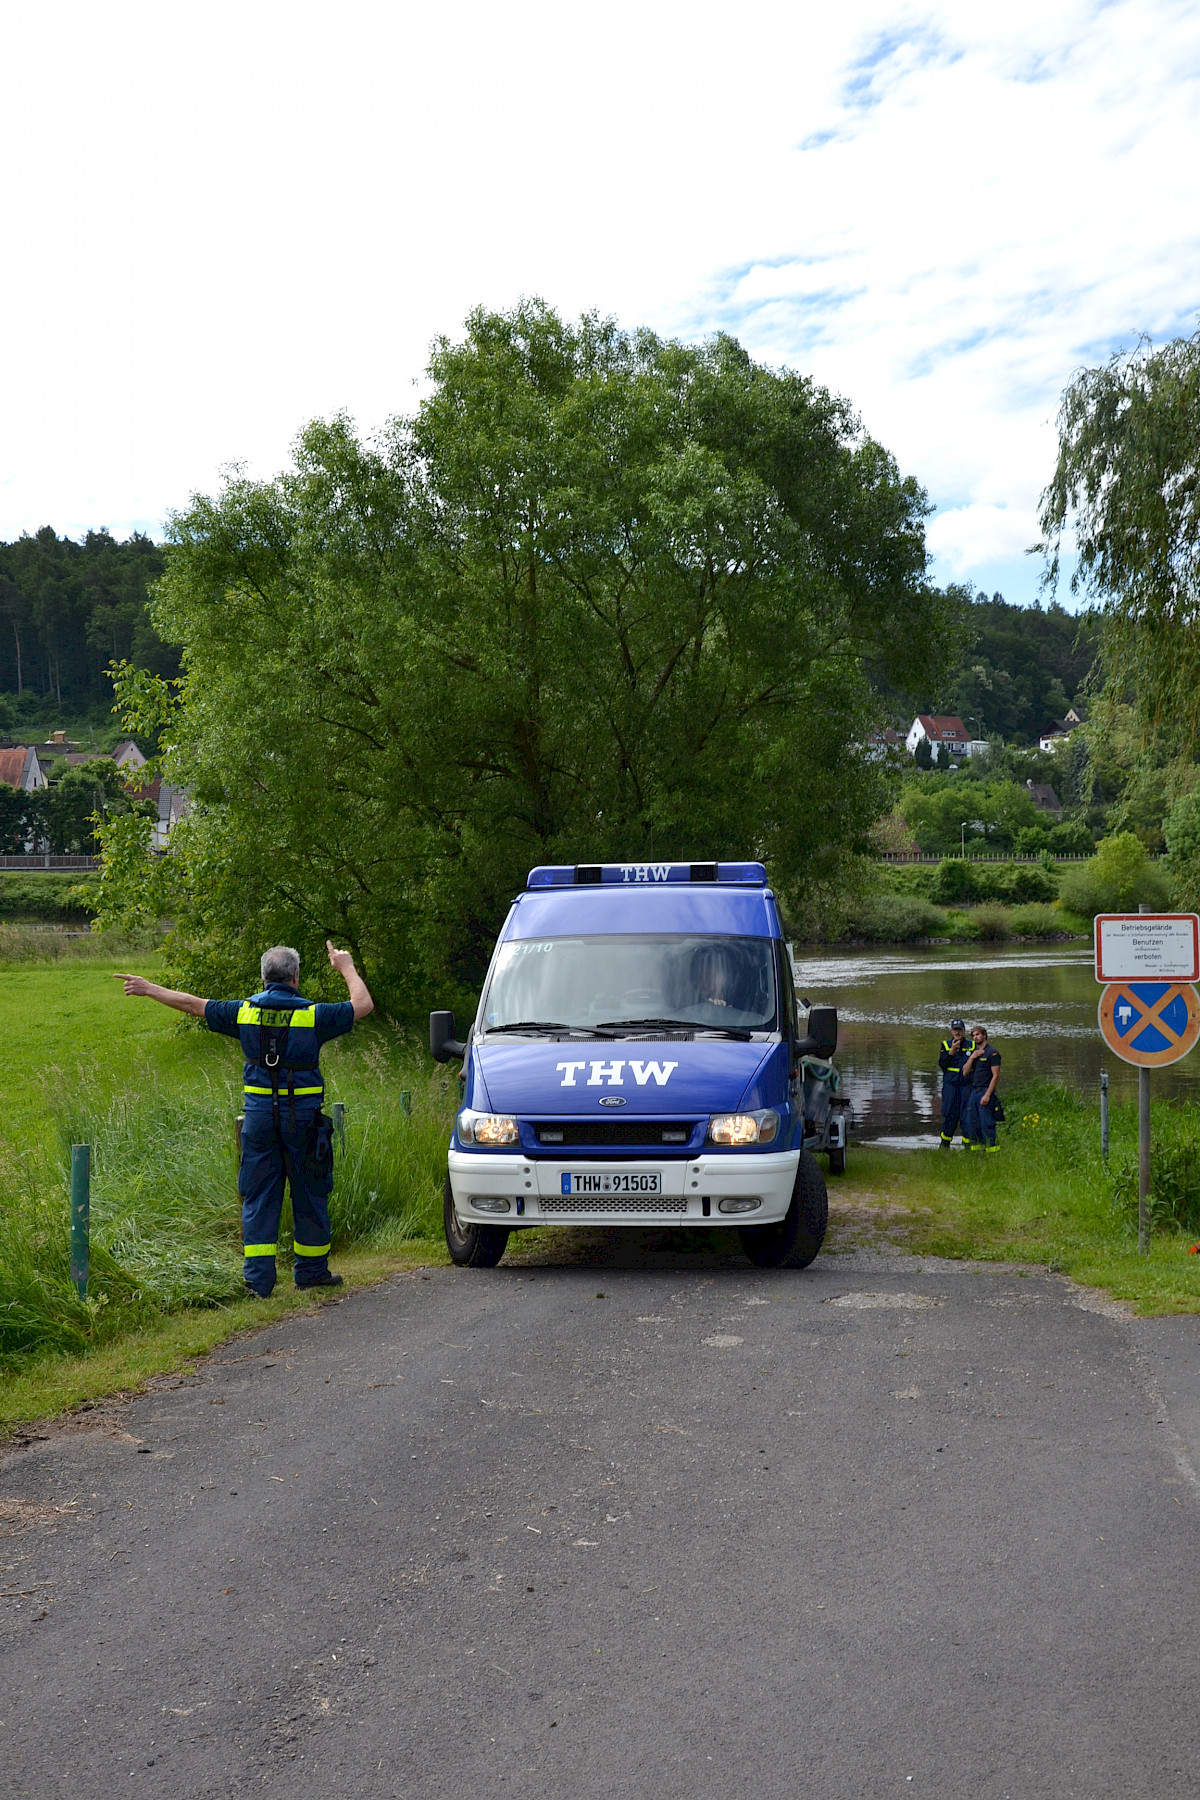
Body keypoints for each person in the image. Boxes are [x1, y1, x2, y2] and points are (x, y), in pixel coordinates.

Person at [116, 941, 374, 1295]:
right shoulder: (313, 1015)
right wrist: (345, 966)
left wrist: (148, 989)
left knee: (259, 1195)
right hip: (304, 1122)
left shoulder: (244, 1013)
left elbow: (193, 1004)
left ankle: (258, 1283)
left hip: (259, 1122)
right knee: (310, 1192)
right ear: (295, 977)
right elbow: (363, 1005)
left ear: (264, 978)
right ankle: (311, 1273)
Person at [961, 1025, 1001, 1153]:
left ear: (984, 1035)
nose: (975, 1037)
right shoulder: (975, 1054)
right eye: (973, 1035)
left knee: (986, 1123)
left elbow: (995, 1076)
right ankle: (976, 1152)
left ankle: (992, 1150)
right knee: (972, 1122)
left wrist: (988, 1095)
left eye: (977, 1034)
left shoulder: (992, 1053)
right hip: (974, 1091)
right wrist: (972, 1057)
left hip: (985, 1091)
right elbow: (965, 1072)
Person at [937, 1018, 969, 1148]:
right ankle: (944, 1145)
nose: (957, 1033)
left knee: (967, 1115)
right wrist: (951, 1052)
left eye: (960, 1030)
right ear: (951, 1031)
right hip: (950, 1086)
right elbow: (942, 1065)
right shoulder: (945, 1045)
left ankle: (968, 1146)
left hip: (966, 1086)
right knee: (950, 1114)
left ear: (964, 1031)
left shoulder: (971, 1045)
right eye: (955, 1030)